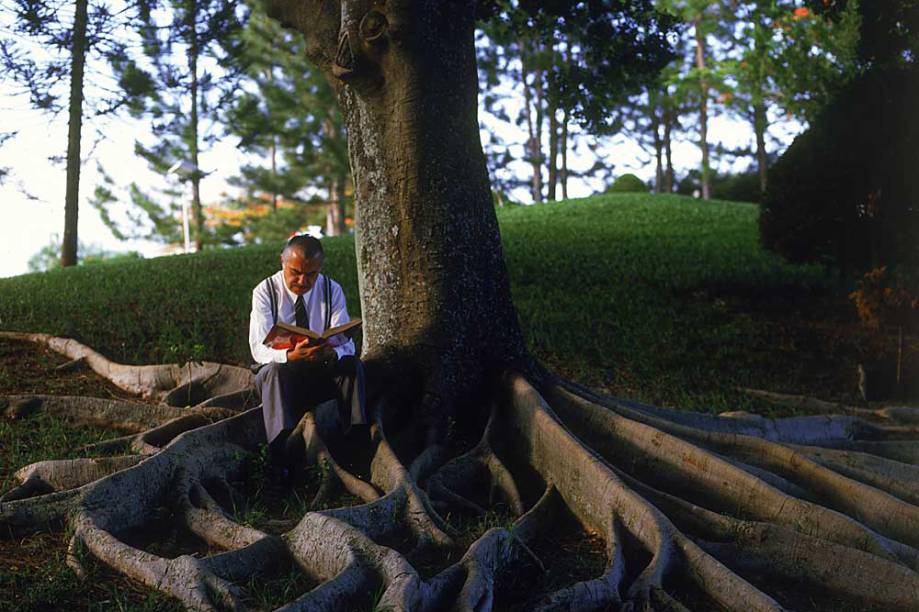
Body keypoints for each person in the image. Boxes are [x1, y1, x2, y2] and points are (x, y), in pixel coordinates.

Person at [248, 234, 366, 461]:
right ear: (282, 262)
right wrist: (291, 355)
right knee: (272, 370)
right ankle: (280, 455)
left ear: (320, 268)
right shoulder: (264, 292)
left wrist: (333, 352)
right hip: (282, 378)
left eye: (311, 274)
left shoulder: (332, 290)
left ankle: (357, 446)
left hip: (321, 371)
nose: (303, 281)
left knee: (351, 365)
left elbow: (345, 342)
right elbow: (258, 349)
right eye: (295, 272)